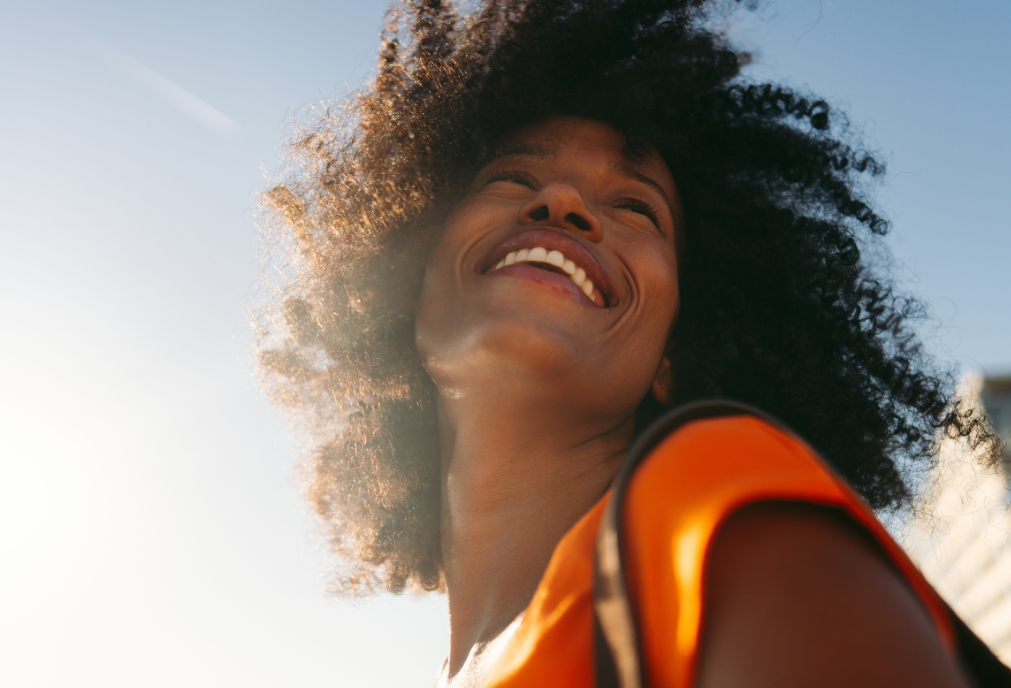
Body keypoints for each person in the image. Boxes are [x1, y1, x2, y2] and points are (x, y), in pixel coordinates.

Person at [256, 0, 1006, 685]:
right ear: (405, 292)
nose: (564, 201)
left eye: (635, 206)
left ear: (675, 354)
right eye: (513, 177)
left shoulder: (708, 503)